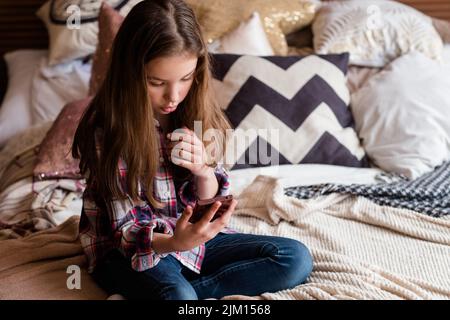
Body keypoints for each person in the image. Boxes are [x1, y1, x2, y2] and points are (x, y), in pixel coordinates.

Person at [72, 0, 313, 300]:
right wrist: (175, 243)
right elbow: (126, 233)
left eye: (185, 78)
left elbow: (211, 199)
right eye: (157, 82)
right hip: (135, 250)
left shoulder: (195, 113)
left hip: (189, 239)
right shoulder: (107, 130)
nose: (173, 96)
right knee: (178, 296)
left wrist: (203, 171)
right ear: (130, 73)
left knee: (294, 258)